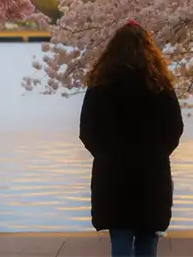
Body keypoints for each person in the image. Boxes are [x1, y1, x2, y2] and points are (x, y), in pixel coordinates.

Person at [79, 20, 184, 257]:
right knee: (147, 239)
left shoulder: (100, 83)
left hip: (113, 171)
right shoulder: (160, 84)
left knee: (121, 235)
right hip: (151, 172)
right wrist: (157, 153)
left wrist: (106, 155)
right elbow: (174, 128)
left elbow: (87, 130)